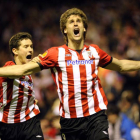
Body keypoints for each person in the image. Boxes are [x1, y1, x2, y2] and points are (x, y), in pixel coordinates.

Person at [0, 8, 140, 140]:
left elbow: (121, 65)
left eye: (78, 21)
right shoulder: (55, 53)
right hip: (70, 121)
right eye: (71, 22)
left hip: (95, 116)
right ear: (65, 30)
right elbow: (23, 70)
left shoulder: (95, 51)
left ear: (84, 28)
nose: (75, 24)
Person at [0, 32, 44, 140]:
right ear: (15, 51)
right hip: (8, 124)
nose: (30, 50)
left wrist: (30, 101)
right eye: (26, 46)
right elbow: (18, 72)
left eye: (31, 46)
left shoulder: (29, 74)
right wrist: (32, 65)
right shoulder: (10, 67)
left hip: (30, 122)